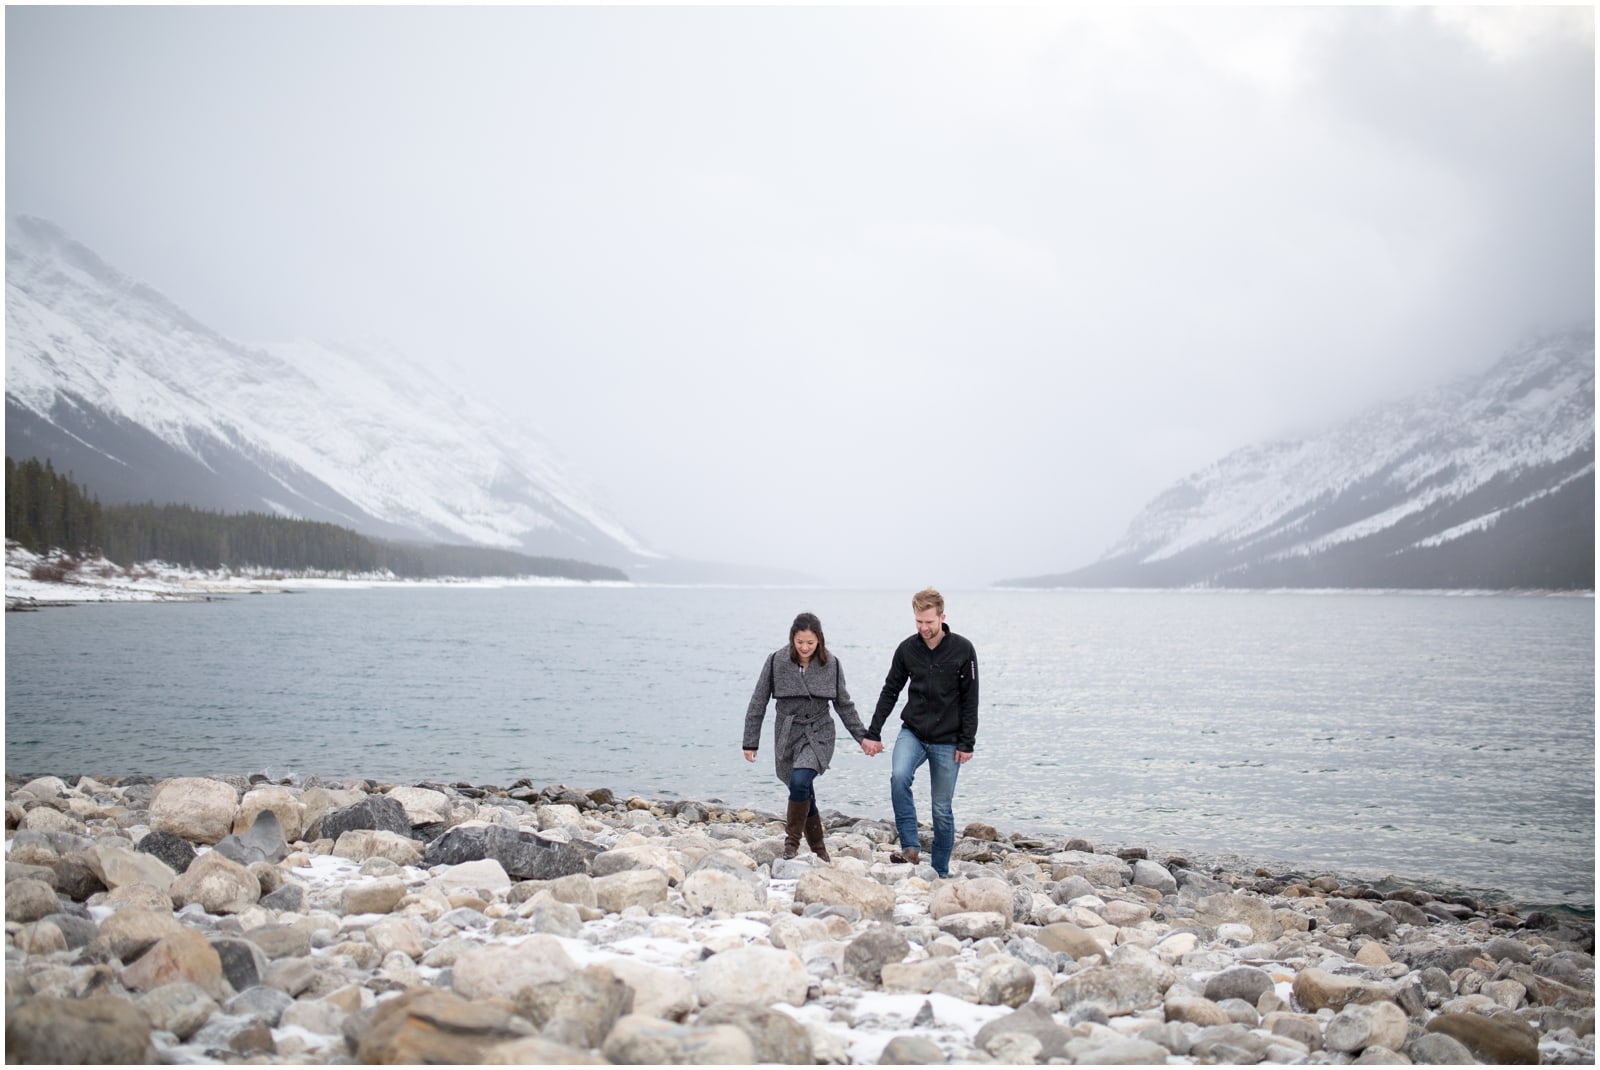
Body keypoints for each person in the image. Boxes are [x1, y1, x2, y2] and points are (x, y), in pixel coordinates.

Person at [861, 587, 978, 878]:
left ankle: (939, 871)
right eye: (918, 622)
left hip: (949, 740)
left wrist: (967, 742)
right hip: (913, 732)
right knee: (899, 776)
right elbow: (890, 691)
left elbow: (970, 699)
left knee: (941, 808)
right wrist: (873, 732)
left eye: (929, 622)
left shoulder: (963, 650)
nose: (924, 628)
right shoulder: (907, 649)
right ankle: (910, 848)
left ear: (942, 617)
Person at [744, 611, 874, 861]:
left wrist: (863, 737)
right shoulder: (776, 661)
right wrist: (751, 741)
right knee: (800, 787)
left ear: (819, 641)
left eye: (810, 643)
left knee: (801, 780)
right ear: (792, 638)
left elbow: (844, 705)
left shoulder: (831, 664)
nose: (804, 647)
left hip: (819, 731)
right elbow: (758, 702)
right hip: (787, 732)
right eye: (799, 642)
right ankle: (819, 849)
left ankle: (791, 843)